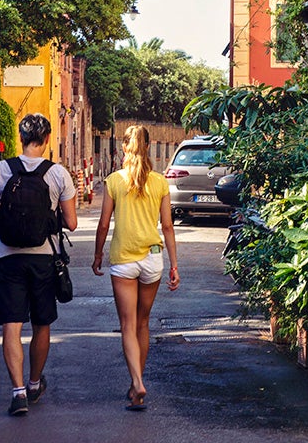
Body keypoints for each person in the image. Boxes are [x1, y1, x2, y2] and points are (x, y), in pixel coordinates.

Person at [0, 113, 78, 416]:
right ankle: (34, 383)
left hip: (9, 258)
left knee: (12, 324)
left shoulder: (0, 170)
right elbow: (72, 223)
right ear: (47, 139)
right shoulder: (58, 174)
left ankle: (18, 392)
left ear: (20, 137)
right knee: (41, 323)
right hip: (44, 258)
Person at [91, 124, 179, 412]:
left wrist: (97, 255)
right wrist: (174, 265)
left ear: (123, 147)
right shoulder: (160, 182)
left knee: (128, 325)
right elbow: (167, 226)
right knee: (143, 323)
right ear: (149, 147)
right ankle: (136, 385)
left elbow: (104, 224)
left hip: (124, 259)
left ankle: (137, 382)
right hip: (153, 259)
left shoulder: (115, 181)